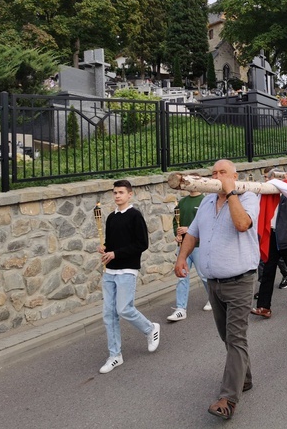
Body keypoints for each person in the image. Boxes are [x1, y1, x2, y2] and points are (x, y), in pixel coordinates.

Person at [175, 159, 260, 421]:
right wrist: (181, 258)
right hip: (214, 283)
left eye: (222, 172)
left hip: (240, 281)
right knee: (228, 337)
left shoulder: (248, 197)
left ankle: (228, 399)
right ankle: (244, 379)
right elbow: (193, 233)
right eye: (213, 172)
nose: (216, 176)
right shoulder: (207, 202)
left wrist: (231, 191)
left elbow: (242, 224)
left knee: (235, 338)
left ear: (234, 175)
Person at [98, 180, 160, 374]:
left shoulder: (135, 216)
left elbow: (142, 244)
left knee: (124, 309)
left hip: (127, 270)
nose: (117, 196)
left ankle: (150, 329)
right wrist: (105, 248)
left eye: (121, 192)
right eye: (115, 192)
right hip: (110, 271)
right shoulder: (111, 217)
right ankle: (115, 355)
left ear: (130, 195)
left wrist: (117, 253)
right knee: (109, 314)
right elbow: (112, 243)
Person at [251, 172, 287, 318]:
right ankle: (263, 306)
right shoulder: (263, 197)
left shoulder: (286, 195)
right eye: (266, 179)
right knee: (268, 270)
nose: (268, 181)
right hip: (272, 236)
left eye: (271, 179)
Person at [168, 190, 211, 321]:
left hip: (199, 245)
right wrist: (178, 233)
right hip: (183, 247)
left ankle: (214, 299)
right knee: (182, 277)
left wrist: (189, 229)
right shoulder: (182, 202)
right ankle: (181, 309)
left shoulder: (205, 201)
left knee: (204, 275)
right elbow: (176, 221)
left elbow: (207, 222)